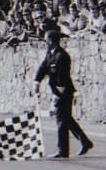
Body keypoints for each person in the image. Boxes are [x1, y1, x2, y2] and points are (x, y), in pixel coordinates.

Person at [33, 29, 93, 158]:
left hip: (64, 91)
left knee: (61, 120)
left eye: (46, 39)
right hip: (59, 91)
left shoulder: (62, 56)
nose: (45, 42)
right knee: (66, 119)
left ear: (51, 41)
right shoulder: (50, 53)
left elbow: (62, 78)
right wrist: (36, 81)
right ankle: (85, 141)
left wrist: (57, 95)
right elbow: (43, 67)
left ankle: (63, 150)